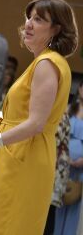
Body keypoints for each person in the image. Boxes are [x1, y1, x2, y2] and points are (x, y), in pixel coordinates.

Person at [0, 0, 78, 234]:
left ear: (57, 29)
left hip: (24, 157)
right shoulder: (46, 62)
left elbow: (35, 124)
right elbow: (24, 119)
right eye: (29, 17)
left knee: (6, 226)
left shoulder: (46, 63)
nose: (29, 24)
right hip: (18, 152)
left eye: (39, 19)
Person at [54, 82, 83, 234]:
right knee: (60, 204)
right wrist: (62, 157)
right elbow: (59, 135)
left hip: (81, 170)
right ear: (79, 88)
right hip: (63, 165)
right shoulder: (69, 109)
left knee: (75, 210)